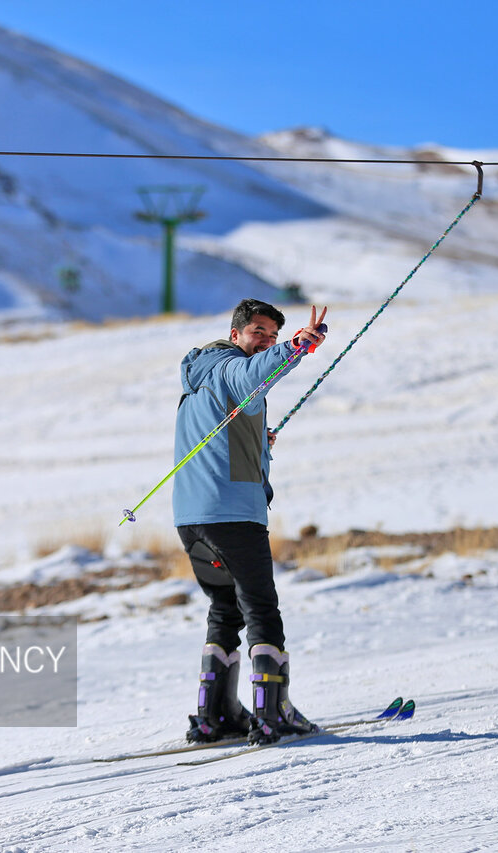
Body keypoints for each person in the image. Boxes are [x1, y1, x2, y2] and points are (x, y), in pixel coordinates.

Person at [173, 298, 327, 745]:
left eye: (273, 336)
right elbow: (250, 374)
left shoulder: (202, 381)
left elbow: (227, 445)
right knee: (261, 609)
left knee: (225, 609)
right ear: (236, 332)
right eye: (258, 332)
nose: (265, 341)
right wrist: (296, 346)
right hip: (234, 517)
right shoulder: (229, 367)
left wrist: (260, 441)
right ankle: (272, 714)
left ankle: (214, 716)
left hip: (192, 518)